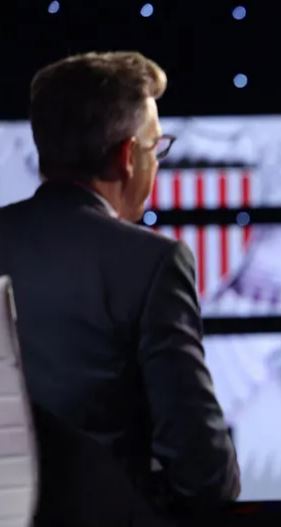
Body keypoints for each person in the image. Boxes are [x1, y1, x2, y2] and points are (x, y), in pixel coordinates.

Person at [0, 52, 240, 526]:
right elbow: (202, 471)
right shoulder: (152, 264)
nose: (156, 163)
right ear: (128, 157)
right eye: (156, 148)